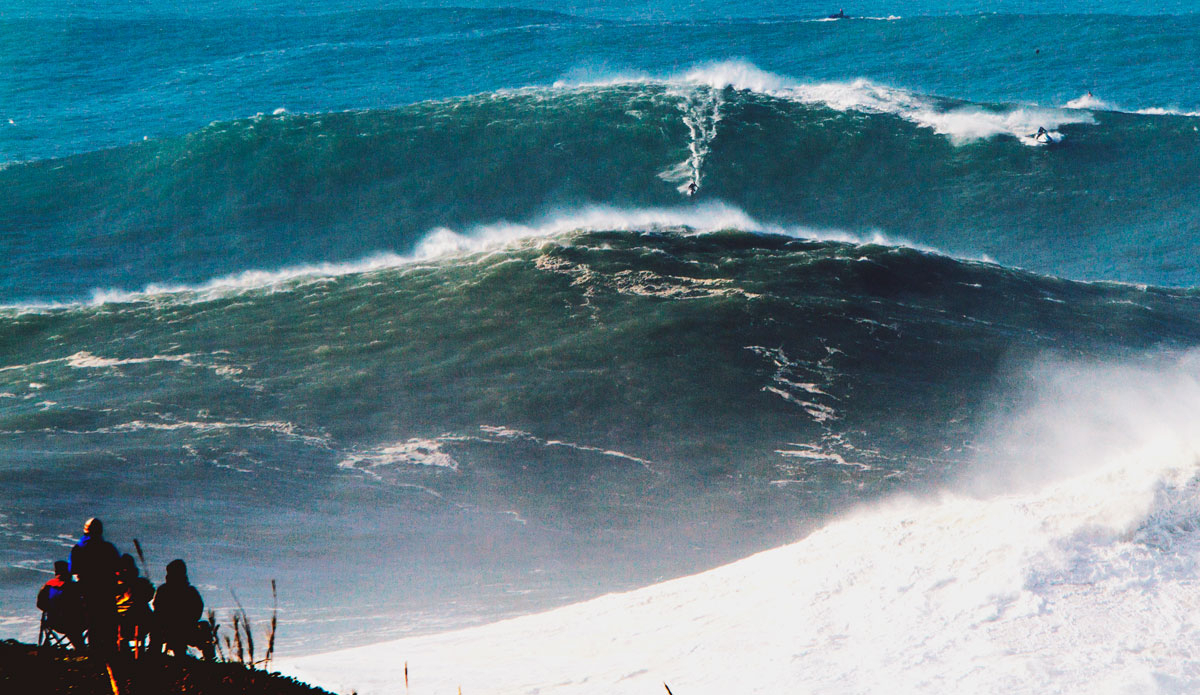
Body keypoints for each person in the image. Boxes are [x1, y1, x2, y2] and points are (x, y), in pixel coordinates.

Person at [69, 518, 120, 655]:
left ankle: (92, 650)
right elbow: (118, 567)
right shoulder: (108, 548)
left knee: (92, 622)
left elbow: (73, 570)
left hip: (86, 591)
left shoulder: (78, 548)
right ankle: (109, 650)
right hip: (106, 590)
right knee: (107, 622)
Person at [151, 559, 213, 659]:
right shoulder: (189, 591)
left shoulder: (164, 590)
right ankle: (155, 655)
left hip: (178, 628)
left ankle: (155, 655)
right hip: (173, 628)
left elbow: (157, 608)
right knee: (159, 628)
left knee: (160, 628)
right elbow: (198, 609)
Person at [36, 560, 85, 649]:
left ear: (56, 572)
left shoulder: (48, 585)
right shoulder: (73, 587)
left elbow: (40, 604)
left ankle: (80, 647)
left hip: (53, 622)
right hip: (72, 623)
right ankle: (85, 648)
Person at [115, 554, 155, 652]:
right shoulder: (114, 586)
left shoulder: (140, 583)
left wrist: (149, 590)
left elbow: (148, 596)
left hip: (139, 621)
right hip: (123, 622)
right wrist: (125, 598)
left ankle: (150, 652)